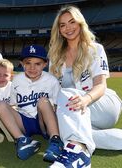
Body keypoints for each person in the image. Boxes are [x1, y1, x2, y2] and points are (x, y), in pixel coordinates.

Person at [48, 5, 122, 167]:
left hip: (101, 104)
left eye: (72, 22)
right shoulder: (54, 55)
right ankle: (79, 146)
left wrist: (85, 99)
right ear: (59, 30)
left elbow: (101, 85)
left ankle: (78, 154)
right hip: (75, 110)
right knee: (67, 130)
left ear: (80, 23)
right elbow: (52, 89)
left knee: (67, 96)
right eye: (62, 25)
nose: (68, 28)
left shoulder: (95, 49)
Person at [0, 45, 64, 161]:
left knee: (43, 101)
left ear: (45, 64)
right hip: (25, 121)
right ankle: (22, 140)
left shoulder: (52, 81)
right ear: (22, 63)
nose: (32, 67)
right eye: (28, 63)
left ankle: (55, 140)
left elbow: (58, 106)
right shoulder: (17, 80)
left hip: (45, 121)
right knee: (0, 104)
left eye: (37, 64)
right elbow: (13, 104)